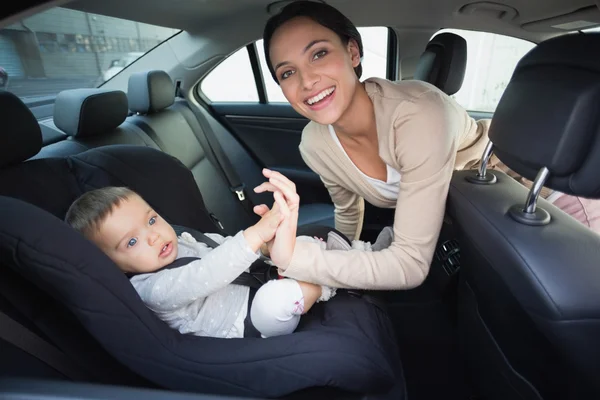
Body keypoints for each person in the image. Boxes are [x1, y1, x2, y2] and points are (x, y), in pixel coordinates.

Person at [260, 1, 491, 290]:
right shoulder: (314, 145)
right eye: (288, 73)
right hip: (458, 235)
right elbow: (348, 211)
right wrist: (335, 263)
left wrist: (295, 258)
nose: (307, 81)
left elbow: (409, 266)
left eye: (319, 54)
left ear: (352, 52)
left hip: (520, 202)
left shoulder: (420, 113)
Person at [64, 171, 343, 339]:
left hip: (256, 284)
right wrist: (255, 234)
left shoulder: (181, 240)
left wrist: (264, 245)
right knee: (274, 301)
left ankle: (356, 256)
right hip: (249, 324)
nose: (154, 235)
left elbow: (221, 246)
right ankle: (325, 285)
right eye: (133, 241)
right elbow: (206, 273)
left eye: (151, 220)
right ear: (113, 265)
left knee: (296, 241)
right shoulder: (148, 290)